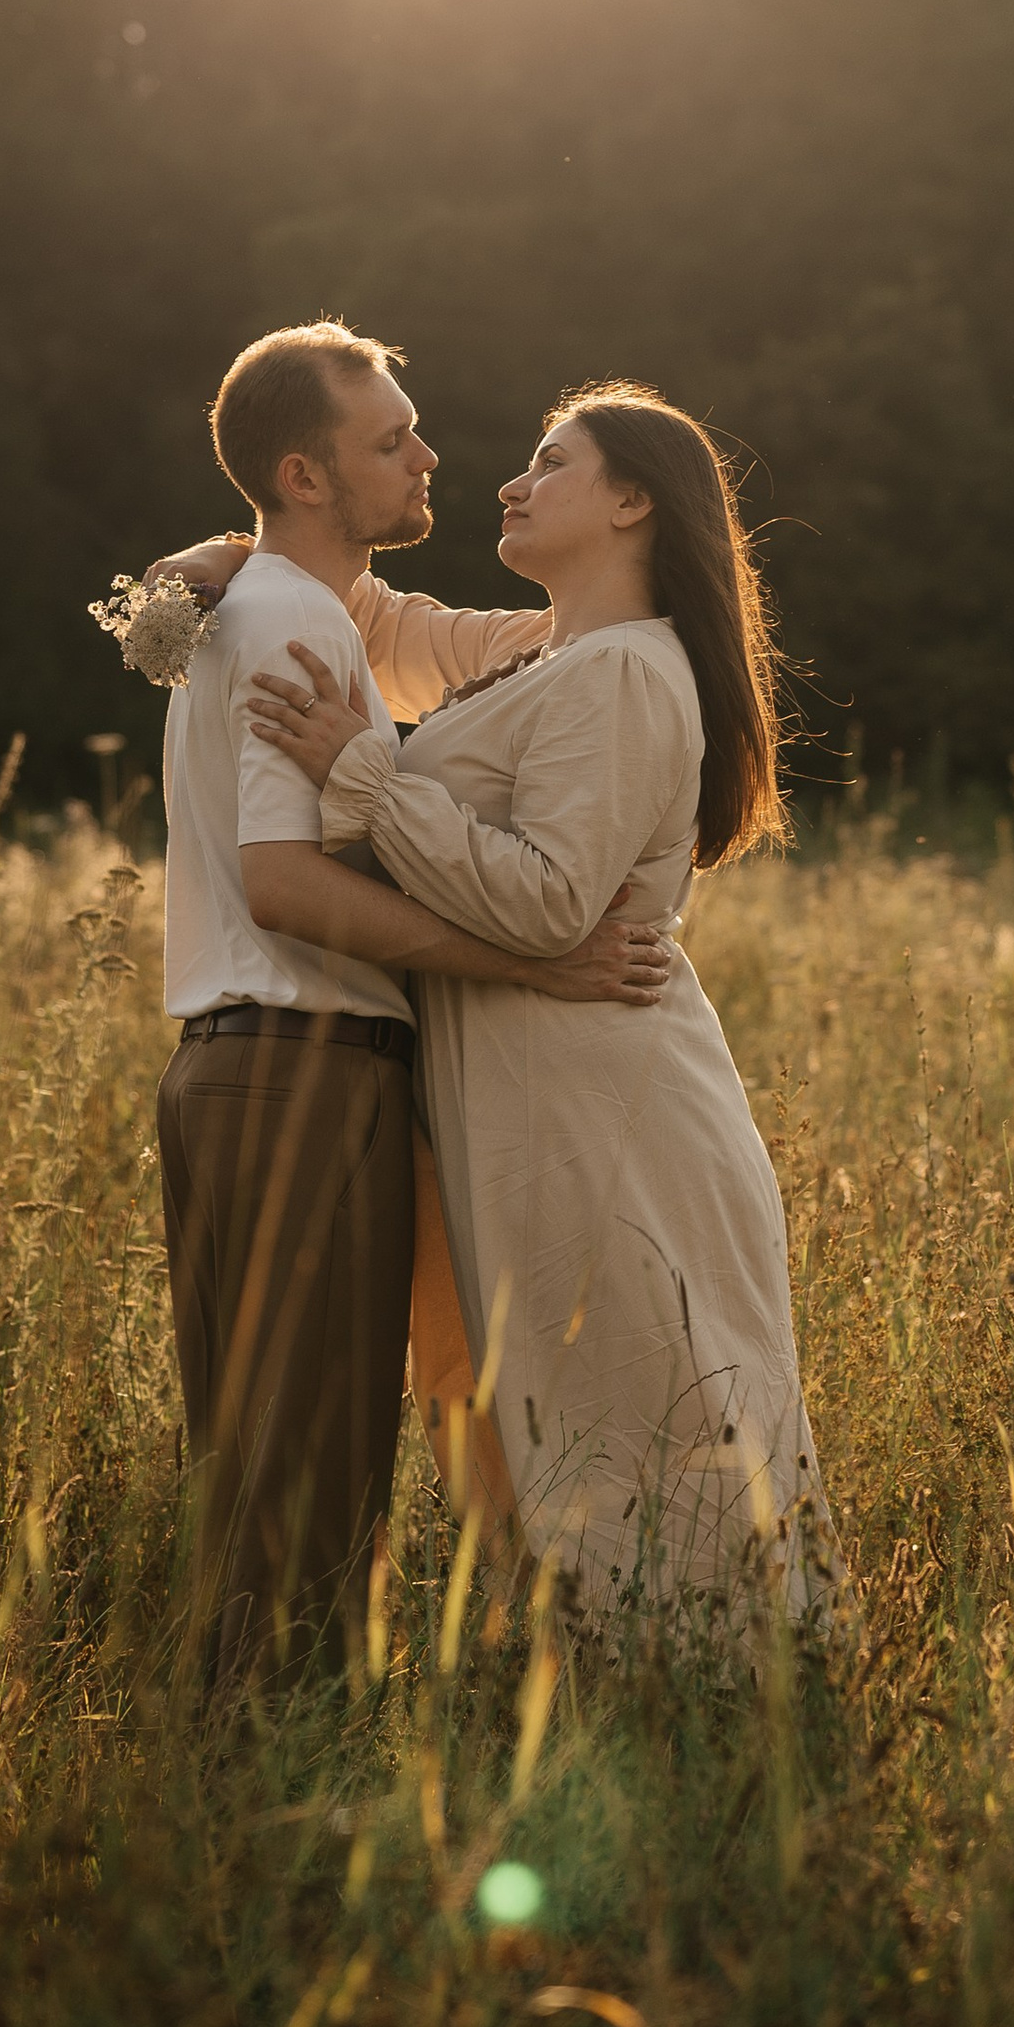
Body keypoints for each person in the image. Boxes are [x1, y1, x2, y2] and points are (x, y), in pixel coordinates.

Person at [242, 382, 836, 1620]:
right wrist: (220, 552)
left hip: (598, 1105)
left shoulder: (624, 671)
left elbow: (554, 902)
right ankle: (602, 1688)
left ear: (632, 500)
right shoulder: (541, 653)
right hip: (534, 1096)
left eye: (547, 462)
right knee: (562, 1408)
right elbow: (380, 619)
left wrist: (365, 770)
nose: (508, 483)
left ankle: (707, 1698)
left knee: (637, 1402)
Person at [155, 322, 670, 1684]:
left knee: (262, 1484)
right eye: (390, 440)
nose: (428, 455)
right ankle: (270, 1808)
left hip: (248, 1067)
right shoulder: (295, 616)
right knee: (307, 1500)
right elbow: (283, 881)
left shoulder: (281, 603)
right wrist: (529, 959)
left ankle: (242, 1786)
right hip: (302, 1068)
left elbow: (549, 650)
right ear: (303, 475)